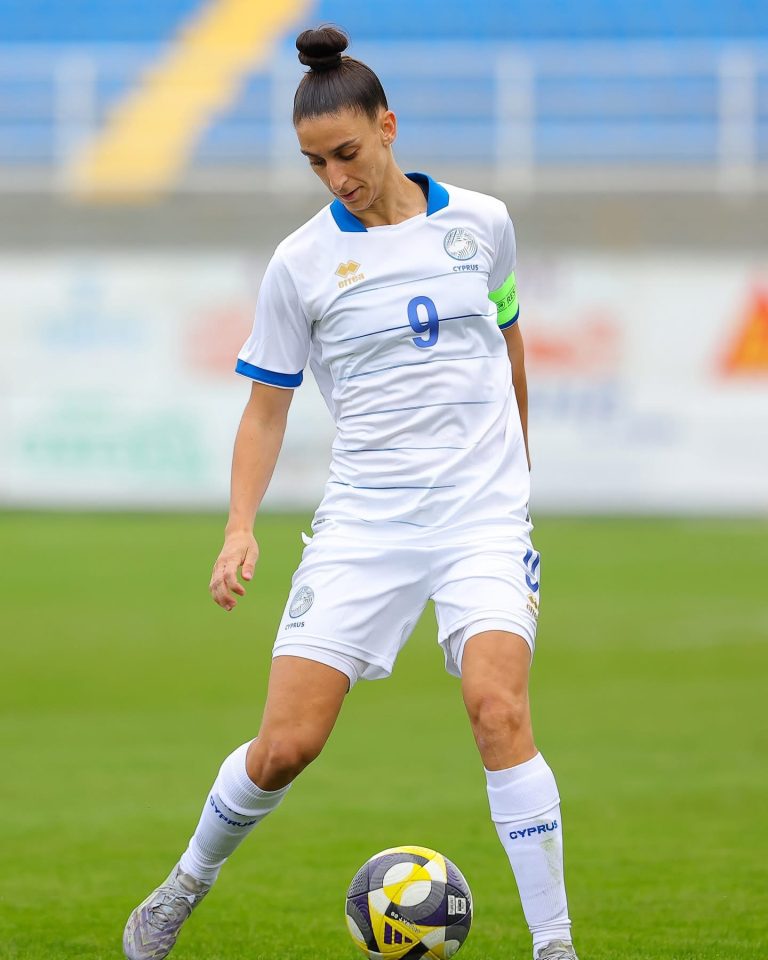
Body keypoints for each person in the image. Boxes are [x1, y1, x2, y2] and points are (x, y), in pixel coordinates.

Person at [123, 25, 579, 960]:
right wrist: (239, 527)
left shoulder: (483, 224)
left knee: (498, 709)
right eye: (315, 163)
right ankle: (185, 884)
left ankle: (555, 945)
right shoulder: (299, 263)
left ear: (387, 128)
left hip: (482, 519)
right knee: (285, 746)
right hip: (366, 523)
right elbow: (265, 411)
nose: (336, 177)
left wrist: (517, 475)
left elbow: (510, 343)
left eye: (347, 152)